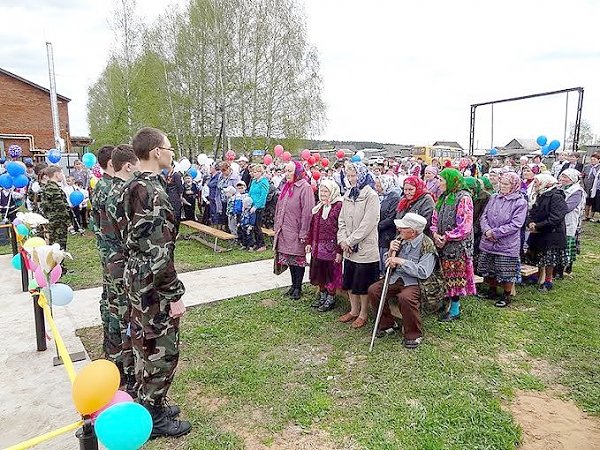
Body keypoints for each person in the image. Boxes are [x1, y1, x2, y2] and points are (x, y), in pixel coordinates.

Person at [121, 127, 191, 438]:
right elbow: (160, 252)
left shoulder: (133, 184)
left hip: (137, 277)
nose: (172, 152)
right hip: (153, 285)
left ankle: (148, 402)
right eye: (169, 147)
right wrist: (174, 294)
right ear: (156, 152)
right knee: (161, 349)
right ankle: (153, 414)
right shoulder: (151, 192)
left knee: (142, 340)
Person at [367, 213, 437, 349]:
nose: (399, 230)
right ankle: (387, 324)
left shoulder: (427, 245)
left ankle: (414, 334)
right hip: (396, 277)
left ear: (413, 232)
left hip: (417, 282)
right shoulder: (400, 239)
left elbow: (424, 272)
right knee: (374, 290)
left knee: (405, 298)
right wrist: (390, 252)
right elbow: (388, 262)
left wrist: (401, 261)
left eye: (403, 228)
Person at [104, 144, 140, 394]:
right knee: (128, 317)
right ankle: (129, 374)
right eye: (136, 165)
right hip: (124, 263)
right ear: (128, 166)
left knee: (117, 311)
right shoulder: (125, 192)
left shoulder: (107, 190)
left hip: (111, 261)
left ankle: (118, 361)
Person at [337, 162, 380, 329]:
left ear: (361, 175)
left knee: (362, 284)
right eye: (348, 176)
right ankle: (353, 310)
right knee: (349, 281)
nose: (350, 179)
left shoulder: (371, 195)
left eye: (353, 175)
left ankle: (363, 314)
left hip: (364, 248)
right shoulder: (348, 194)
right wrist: (342, 239)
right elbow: (341, 220)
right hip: (348, 247)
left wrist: (350, 240)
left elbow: (368, 223)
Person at [431, 168, 476, 321]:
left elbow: (465, 226)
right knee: (445, 275)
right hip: (443, 243)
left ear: (451, 181)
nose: (439, 183)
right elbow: (435, 219)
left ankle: (455, 310)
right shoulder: (444, 196)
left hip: (457, 246)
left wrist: (447, 237)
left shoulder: (464, 198)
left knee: (455, 277)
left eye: (441, 180)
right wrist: (435, 233)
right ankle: (447, 302)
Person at [477, 172, 528, 307]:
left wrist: (495, 233)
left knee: (507, 270)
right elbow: (484, 216)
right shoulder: (494, 197)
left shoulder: (520, 202)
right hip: (488, 239)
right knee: (489, 267)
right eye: (501, 183)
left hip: (506, 243)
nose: (502, 186)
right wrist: (487, 230)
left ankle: (506, 295)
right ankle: (491, 290)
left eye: (506, 184)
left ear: (514, 185)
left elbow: (516, 224)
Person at [273, 161, 315, 300]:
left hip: (297, 231)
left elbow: (308, 212)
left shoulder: (305, 187)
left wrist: (304, 232)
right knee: (290, 259)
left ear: (297, 172)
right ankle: (292, 285)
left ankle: (298, 287)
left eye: (290, 171)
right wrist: (277, 226)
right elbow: (279, 208)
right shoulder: (286, 186)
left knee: (298, 259)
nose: (287, 173)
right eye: (286, 170)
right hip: (284, 230)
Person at [90, 145, 115, 356]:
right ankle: (114, 350)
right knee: (114, 301)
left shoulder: (101, 185)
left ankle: (110, 346)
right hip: (112, 252)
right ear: (110, 163)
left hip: (106, 251)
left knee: (108, 297)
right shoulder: (109, 189)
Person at [526, 174, 569, 292]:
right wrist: (530, 222)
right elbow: (533, 211)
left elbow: (556, 217)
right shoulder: (541, 194)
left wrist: (538, 225)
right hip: (538, 231)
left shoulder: (556, 196)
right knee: (539, 256)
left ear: (546, 183)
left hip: (552, 233)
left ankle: (548, 281)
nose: (534, 185)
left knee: (549, 259)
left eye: (537, 182)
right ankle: (537, 276)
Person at [306, 179, 343, 312]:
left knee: (330, 273)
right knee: (319, 271)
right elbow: (312, 226)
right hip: (317, 247)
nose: (322, 193)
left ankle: (331, 297)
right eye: (321, 190)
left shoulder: (338, 206)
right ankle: (322, 295)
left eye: (326, 191)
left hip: (331, 249)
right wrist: (309, 242)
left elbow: (341, 228)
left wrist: (339, 250)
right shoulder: (319, 206)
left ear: (332, 191)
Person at [558, 168, 586, 275]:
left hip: (570, 220)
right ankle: (559, 267)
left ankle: (565, 268)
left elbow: (569, 206)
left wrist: (555, 207)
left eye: (566, 177)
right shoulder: (561, 187)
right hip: (560, 220)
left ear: (572, 179)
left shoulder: (577, 191)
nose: (562, 179)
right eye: (562, 176)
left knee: (567, 244)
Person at [40, 166, 71, 253]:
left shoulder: (48, 186)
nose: (62, 175)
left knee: (54, 243)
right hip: (58, 221)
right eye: (61, 173)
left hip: (52, 220)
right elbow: (60, 207)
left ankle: (56, 264)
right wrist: (68, 222)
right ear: (56, 174)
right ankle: (58, 264)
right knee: (59, 244)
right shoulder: (53, 188)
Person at [375, 175, 400, 275]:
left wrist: (376, 226)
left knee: (384, 254)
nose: (377, 188)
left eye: (379, 186)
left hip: (387, 232)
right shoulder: (381, 196)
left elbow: (391, 217)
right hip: (380, 231)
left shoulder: (394, 197)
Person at [464, 176, 490, 270]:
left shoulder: (485, 197)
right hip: (467, 227)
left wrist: (475, 228)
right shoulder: (465, 196)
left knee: (475, 249)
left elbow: (483, 214)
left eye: (471, 188)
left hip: (477, 228)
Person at [248, 164, 270, 251]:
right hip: (251, 206)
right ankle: (256, 243)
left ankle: (262, 244)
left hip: (259, 207)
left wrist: (256, 206)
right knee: (252, 226)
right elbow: (250, 192)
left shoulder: (264, 182)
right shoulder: (254, 181)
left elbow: (263, 196)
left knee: (257, 226)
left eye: (255, 172)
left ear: (261, 172)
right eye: (253, 172)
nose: (254, 173)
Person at [581, 153, 600, 221]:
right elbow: (582, 176)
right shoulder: (586, 167)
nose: (592, 161)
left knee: (594, 202)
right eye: (591, 159)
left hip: (595, 188)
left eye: (594, 160)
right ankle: (586, 215)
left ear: (598, 160)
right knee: (587, 201)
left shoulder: (599, 168)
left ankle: (591, 216)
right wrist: (583, 185)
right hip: (587, 187)